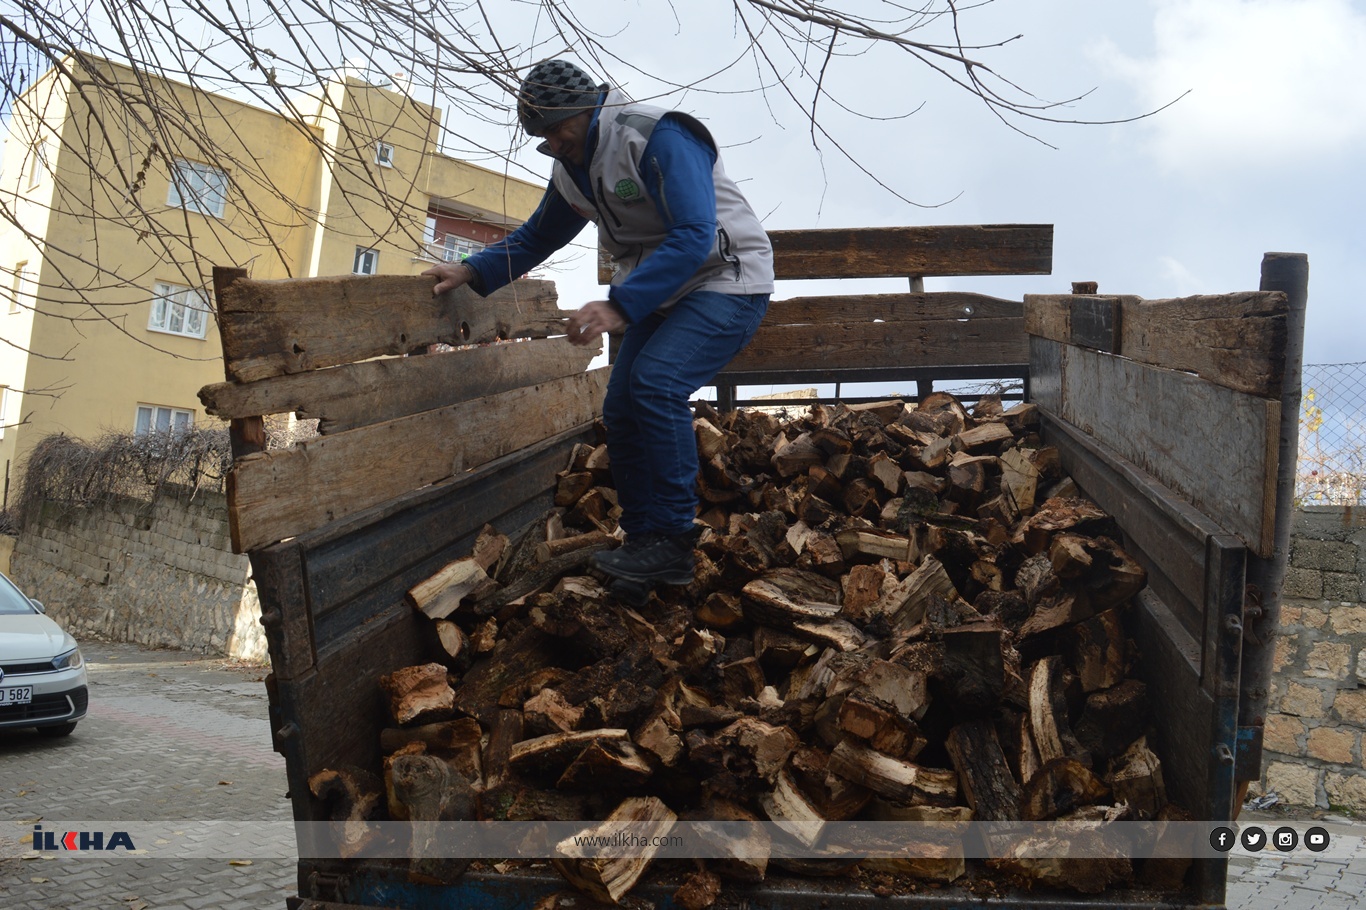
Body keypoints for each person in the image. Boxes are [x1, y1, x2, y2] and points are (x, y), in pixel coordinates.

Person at [425, 58, 773, 598]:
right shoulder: (571, 167)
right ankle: (642, 540)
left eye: (559, 131)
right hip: (658, 291)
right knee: (620, 407)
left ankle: (676, 540)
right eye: (542, 138)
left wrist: (621, 304)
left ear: (588, 110)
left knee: (656, 384)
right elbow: (539, 235)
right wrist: (472, 268)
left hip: (726, 279)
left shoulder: (658, 136)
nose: (554, 146)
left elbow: (694, 234)